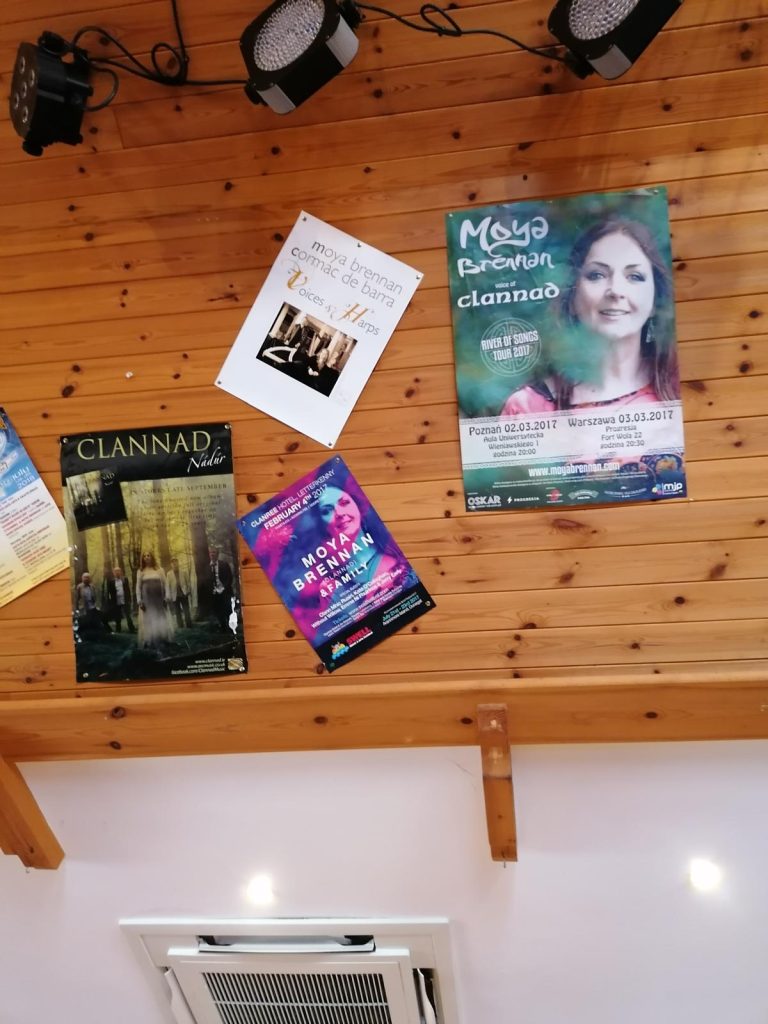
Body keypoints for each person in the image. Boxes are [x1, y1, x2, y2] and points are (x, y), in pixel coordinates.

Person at [501, 218, 679, 415]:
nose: (616, 290)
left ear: (655, 300)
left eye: (634, 276)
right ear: (572, 296)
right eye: (597, 275)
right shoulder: (528, 408)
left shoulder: (680, 384)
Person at [135, 552, 171, 650]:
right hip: (147, 600)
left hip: (159, 598)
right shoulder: (140, 571)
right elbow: (138, 587)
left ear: (152, 557)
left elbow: (166, 584)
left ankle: (162, 639)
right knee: (149, 619)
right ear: (143, 559)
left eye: (148, 555)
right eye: (144, 556)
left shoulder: (159, 570)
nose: (147, 557)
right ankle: (150, 641)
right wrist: (139, 600)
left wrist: (167, 596)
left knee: (160, 617)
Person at [208, 546, 233, 632]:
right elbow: (207, 581)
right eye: (211, 552)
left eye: (214, 552)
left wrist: (223, 588)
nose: (212, 554)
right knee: (218, 610)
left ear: (217, 554)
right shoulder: (207, 567)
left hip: (225, 591)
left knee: (228, 609)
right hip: (214, 593)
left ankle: (231, 627)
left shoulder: (224, 564)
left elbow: (229, 578)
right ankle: (223, 627)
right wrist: (212, 589)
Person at [104, 566, 135, 633]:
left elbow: (127, 590)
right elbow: (109, 592)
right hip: (116, 601)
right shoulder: (111, 581)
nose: (117, 573)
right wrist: (110, 601)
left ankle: (131, 629)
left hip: (125, 599)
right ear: (113, 573)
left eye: (118, 571)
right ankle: (118, 629)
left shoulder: (125, 579)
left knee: (128, 614)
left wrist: (129, 599)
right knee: (117, 616)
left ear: (120, 572)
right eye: (115, 571)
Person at [166, 557, 193, 628]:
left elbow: (188, 582)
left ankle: (189, 624)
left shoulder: (183, 572)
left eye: (175, 562)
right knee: (177, 611)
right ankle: (180, 625)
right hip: (175, 595)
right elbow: (167, 586)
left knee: (186, 610)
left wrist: (188, 590)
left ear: (178, 563)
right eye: (173, 563)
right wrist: (168, 596)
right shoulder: (169, 574)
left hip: (183, 594)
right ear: (171, 564)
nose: (174, 564)